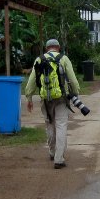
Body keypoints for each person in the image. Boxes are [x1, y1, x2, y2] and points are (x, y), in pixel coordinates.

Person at [24, 38, 81, 169]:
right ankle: (59, 159)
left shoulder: (39, 59)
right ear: (58, 48)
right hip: (62, 98)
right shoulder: (64, 59)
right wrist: (76, 94)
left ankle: (51, 152)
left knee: (50, 124)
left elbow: (32, 80)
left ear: (46, 48)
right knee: (61, 125)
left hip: (46, 99)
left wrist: (29, 98)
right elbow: (72, 79)